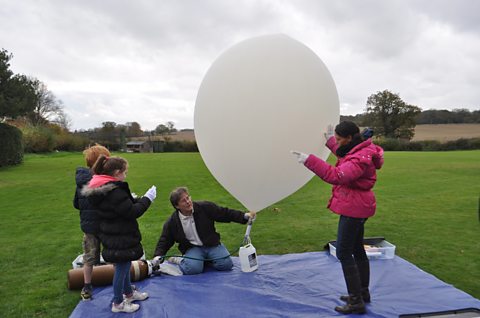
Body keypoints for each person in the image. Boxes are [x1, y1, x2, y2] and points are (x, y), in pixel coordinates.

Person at [292, 121, 384, 315]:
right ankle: (362, 293)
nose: (338, 142)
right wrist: (330, 141)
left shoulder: (360, 158)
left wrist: (309, 160)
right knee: (357, 249)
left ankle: (356, 301)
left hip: (354, 209)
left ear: (349, 138)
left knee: (343, 252)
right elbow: (345, 154)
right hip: (359, 206)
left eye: (340, 139)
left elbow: (338, 175)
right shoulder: (359, 149)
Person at [82, 155, 157, 313]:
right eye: (125, 172)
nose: (125, 175)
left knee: (125, 264)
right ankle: (117, 303)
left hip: (116, 234)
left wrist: (138, 199)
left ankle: (128, 294)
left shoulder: (106, 188)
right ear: (117, 172)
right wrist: (148, 199)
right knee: (122, 268)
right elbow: (132, 212)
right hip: (119, 236)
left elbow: (124, 206)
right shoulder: (115, 191)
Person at [153, 187, 256, 275]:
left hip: (212, 245)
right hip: (193, 248)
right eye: (183, 201)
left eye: (188, 197)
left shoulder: (205, 207)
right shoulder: (172, 222)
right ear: (177, 206)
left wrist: (244, 216)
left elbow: (224, 213)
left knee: (226, 265)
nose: (188, 202)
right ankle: (180, 259)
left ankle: (203, 260)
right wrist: (158, 256)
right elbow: (165, 240)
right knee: (193, 269)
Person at [73, 144, 111, 301]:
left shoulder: (81, 181)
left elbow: (76, 203)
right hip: (106, 226)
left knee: (88, 259)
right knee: (112, 255)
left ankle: (87, 286)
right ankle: (120, 285)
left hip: (89, 228)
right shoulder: (103, 181)